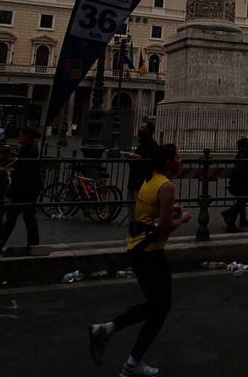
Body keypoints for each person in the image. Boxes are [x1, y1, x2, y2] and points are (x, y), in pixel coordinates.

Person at [89, 143, 191, 377]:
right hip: (149, 253)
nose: (181, 160)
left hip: (138, 249)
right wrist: (182, 218)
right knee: (160, 307)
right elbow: (165, 226)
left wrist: (168, 207)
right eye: (178, 157)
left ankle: (106, 330)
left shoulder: (150, 180)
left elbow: (147, 210)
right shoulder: (166, 185)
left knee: (156, 305)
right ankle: (131, 363)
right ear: (168, 163)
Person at [0, 126, 42, 249]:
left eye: (21, 135)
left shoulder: (29, 150)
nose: (19, 138)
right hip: (27, 190)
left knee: (14, 217)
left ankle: (0, 241)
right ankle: (33, 243)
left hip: (24, 190)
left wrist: (11, 189)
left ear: (28, 137)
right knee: (26, 218)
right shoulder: (29, 148)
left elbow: (22, 173)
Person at [126, 121, 159, 216]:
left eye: (142, 127)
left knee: (138, 209)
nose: (139, 129)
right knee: (131, 208)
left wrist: (139, 158)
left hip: (141, 182)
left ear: (147, 130)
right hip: (134, 181)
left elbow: (152, 162)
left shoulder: (152, 145)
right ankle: (132, 229)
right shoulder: (142, 144)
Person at [222, 137, 248, 228]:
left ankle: (242, 219)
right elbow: (243, 169)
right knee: (242, 200)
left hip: (238, 180)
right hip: (241, 180)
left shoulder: (241, 153)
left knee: (242, 200)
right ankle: (229, 217)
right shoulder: (244, 154)